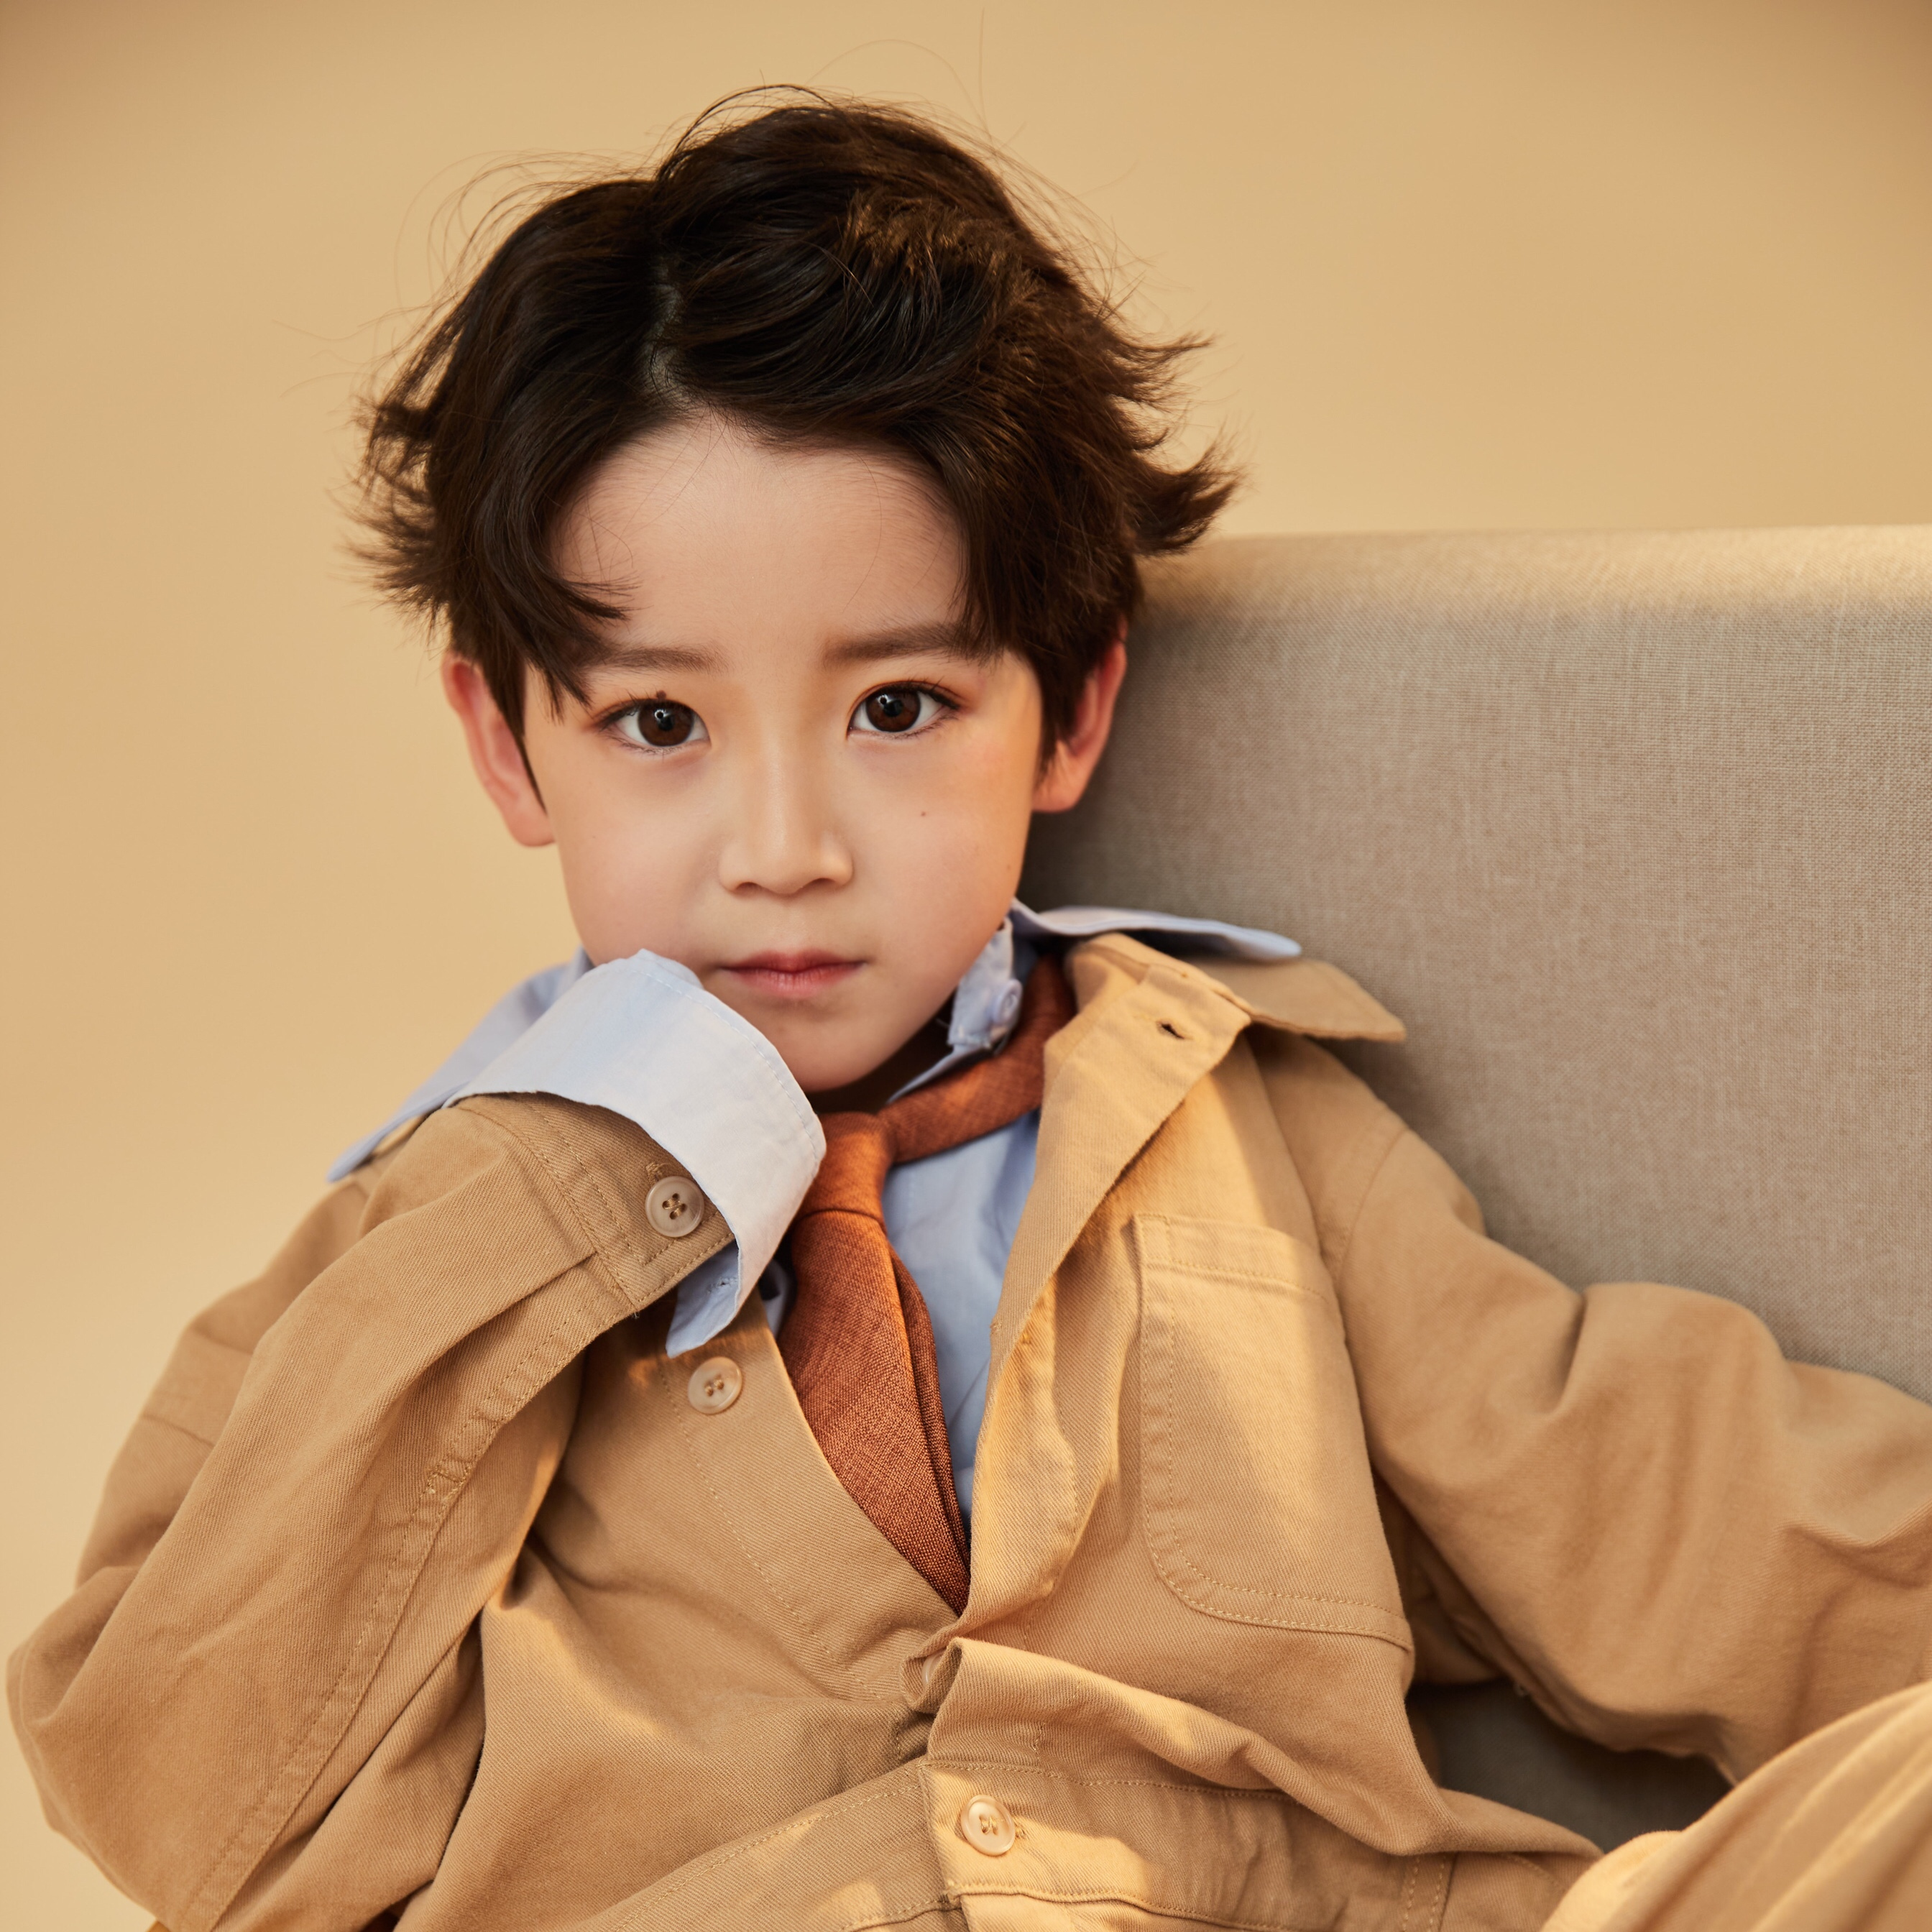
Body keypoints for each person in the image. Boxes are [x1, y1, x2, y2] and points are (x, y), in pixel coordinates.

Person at [10, 94, 1932, 1932]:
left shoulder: (1243, 1135)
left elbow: (1671, 1505)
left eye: (900, 709)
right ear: (510, 746)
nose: (784, 852)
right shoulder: (414, 1253)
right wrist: (568, 1169)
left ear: (1070, 709)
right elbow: (180, 1800)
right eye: (660, 722)